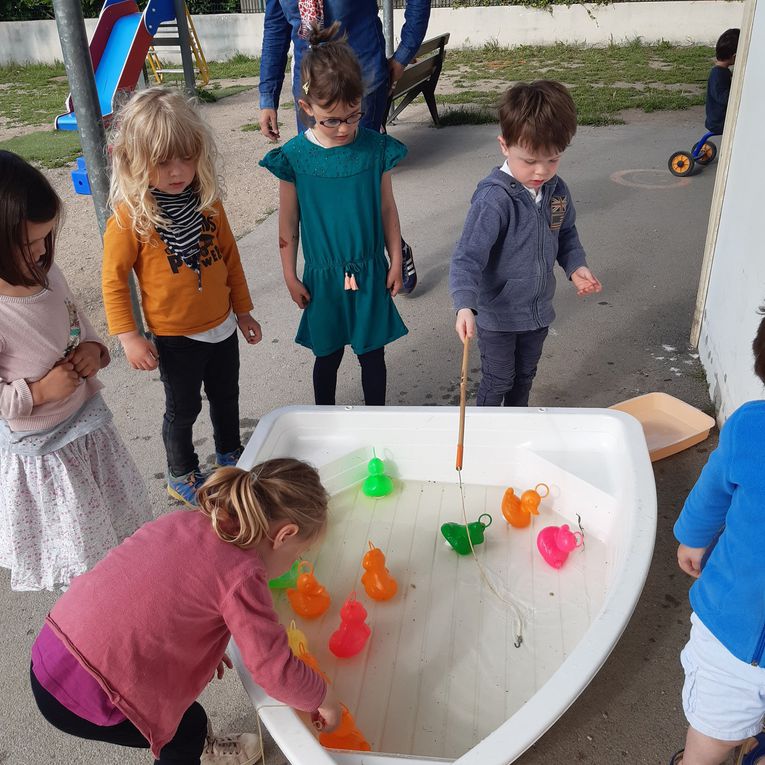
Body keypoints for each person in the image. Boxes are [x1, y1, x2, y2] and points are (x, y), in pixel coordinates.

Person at [30, 458, 343, 765]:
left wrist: (194, 643)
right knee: (187, 731)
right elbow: (275, 671)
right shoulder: (244, 574)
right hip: (89, 693)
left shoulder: (185, 521)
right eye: (299, 554)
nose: (295, 562)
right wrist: (323, 696)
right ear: (284, 535)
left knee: (185, 719)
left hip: (53, 647)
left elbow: (157, 594)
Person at [102, 87, 262, 507]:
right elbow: (115, 282)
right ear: (133, 161)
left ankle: (229, 455)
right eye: (161, 162)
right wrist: (129, 337)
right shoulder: (130, 217)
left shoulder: (208, 202)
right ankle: (181, 473)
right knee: (183, 409)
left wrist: (243, 311)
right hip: (174, 337)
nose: (177, 171)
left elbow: (229, 259)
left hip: (222, 326)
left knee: (228, 397)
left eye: (186, 158)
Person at [0, 150, 151, 592]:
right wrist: (38, 393)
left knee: (114, 528)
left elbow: (77, 324)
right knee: (81, 554)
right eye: (28, 245)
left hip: (87, 428)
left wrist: (94, 350)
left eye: (47, 239)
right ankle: (93, 618)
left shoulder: (49, 274)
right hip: (46, 451)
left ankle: (122, 592)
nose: (41, 252)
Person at [259, 24, 408, 407]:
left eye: (353, 116)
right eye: (331, 119)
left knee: (373, 354)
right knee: (327, 356)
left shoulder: (376, 149)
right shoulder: (293, 156)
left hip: (372, 270)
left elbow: (388, 208)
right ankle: (323, 420)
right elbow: (288, 224)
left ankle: (379, 421)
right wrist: (289, 275)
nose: (344, 128)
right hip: (322, 279)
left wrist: (395, 260)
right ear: (306, 108)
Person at [258, 0, 430, 295]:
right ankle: (337, 276)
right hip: (313, 94)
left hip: (360, 85)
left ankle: (388, 254)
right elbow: (276, 24)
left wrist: (404, 54)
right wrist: (267, 95)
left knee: (361, 187)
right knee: (321, 193)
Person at [449, 81, 602, 407]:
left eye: (553, 159)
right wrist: (464, 304)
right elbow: (467, 257)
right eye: (530, 160)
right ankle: (487, 432)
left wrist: (577, 267)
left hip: (537, 312)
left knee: (525, 376)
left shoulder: (556, 191)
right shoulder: (494, 199)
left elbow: (566, 234)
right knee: (499, 378)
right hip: (498, 316)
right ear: (505, 145)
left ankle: (518, 427)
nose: (541, 171)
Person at [669, 313, 765, 765]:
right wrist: (692, 535)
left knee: (710, 736)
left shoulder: (751, 425)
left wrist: (692, 540)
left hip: (732, 633)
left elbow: (712, 490)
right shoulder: (751, 428)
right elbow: (715, 489)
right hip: (736, 636)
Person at [705, 28, 740, 136]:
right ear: (734, 56)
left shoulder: (723, 72)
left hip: (723, 117)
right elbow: (722, 98)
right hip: (719, 122)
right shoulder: (718, 75)